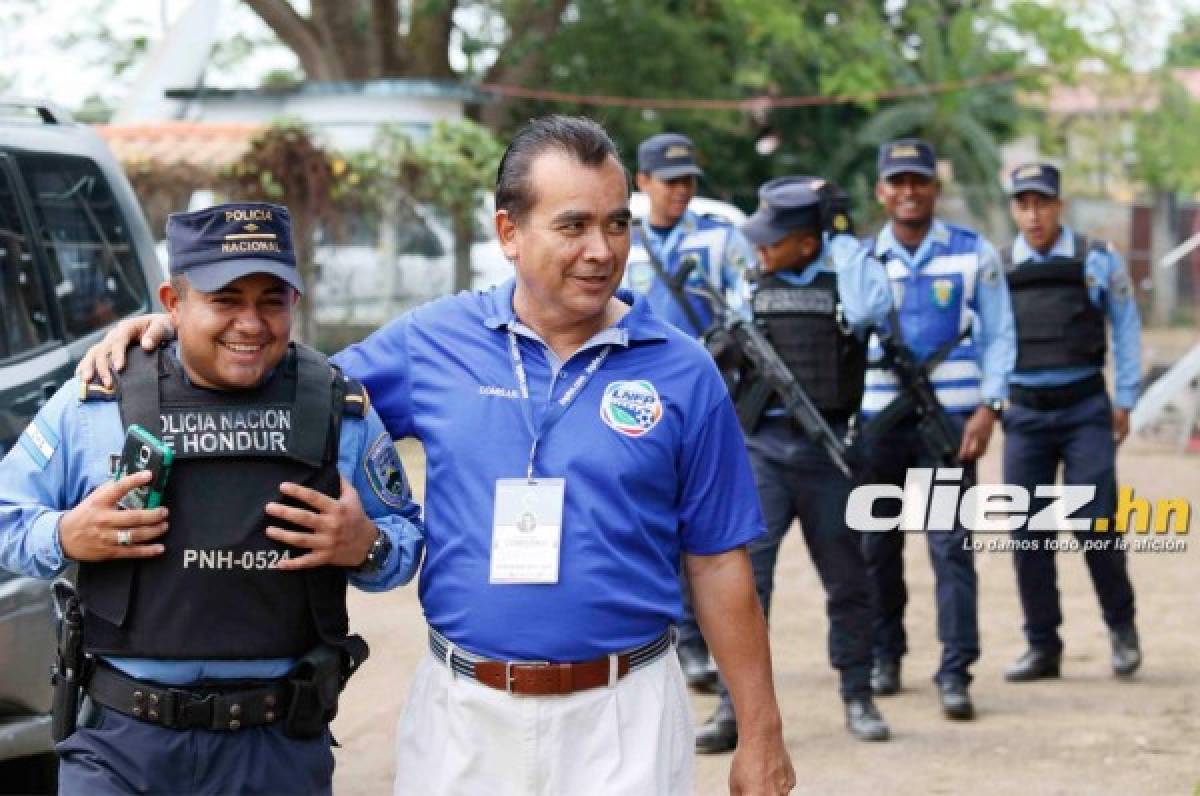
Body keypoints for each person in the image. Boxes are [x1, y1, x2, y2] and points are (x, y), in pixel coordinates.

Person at [78, 117, 796, 796]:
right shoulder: (433, 342)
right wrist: (175, 330)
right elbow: (283, 391)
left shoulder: (681, 370)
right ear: (508, 232)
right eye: (573, 225)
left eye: (616, 223)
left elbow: (717, 560)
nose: (601, 250)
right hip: (465, 716)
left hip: (627, 716)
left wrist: (760, 729)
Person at [0, 202, 424, 794]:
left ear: (294, 304)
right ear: (173, 303)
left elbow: (405, 542)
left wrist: (366, 546)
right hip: (121, 750)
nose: (250, 324)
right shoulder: (99, 401)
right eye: (226, 300)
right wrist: (65, 535)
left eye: (271, 300)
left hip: (275, 747)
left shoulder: (334, 410)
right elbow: (6, 519)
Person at [694, 177, 894, 754]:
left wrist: (840, 238)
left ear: (807, 243)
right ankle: (734, 708)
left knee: (848, 580)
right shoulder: (749, 283)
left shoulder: (849, 281)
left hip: (827, 452)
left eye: (774, 239)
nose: (760, 249)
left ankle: (859, 694)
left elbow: (870, 307)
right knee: (744, 584)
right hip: (761, 454)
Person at [857, 138, 1015, 720]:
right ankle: (885, 656)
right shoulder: (861, 261)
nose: (908, 192)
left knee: (951, 548)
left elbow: (1000, 335)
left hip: (949, 424)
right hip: (877, 423)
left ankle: (956, 672)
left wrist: (989, 407)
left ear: (934, 188)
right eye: (896, 182)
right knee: (877, 547)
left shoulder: (973, 254)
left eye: (918, 181)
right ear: (881, 191)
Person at [622, 131, 759, 691]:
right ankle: (671, 636)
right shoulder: (620, 241)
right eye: (670, 180)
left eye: (688, 181)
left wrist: (729, 341)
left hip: (705, 397)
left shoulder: (720, 241)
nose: (681, 191)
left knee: (704, 527)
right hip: (632, 403)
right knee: (648, 520)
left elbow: (748, 304)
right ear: (644, 182)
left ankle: (701, 643)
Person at [1000, 163, 1142, 682]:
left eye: (1042, 203)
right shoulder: (999, 268)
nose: (1033, 215)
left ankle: (1122, 628)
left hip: (1085, 409)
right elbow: (988, 338)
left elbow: (1125, 326)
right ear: (1014, 209)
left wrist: (1125, 397)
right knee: (1027, 532)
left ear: (1060, 204)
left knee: (1096, 523)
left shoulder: (1097, 259)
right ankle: (1043, 646)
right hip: (1026, 415)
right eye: (1023, 204)